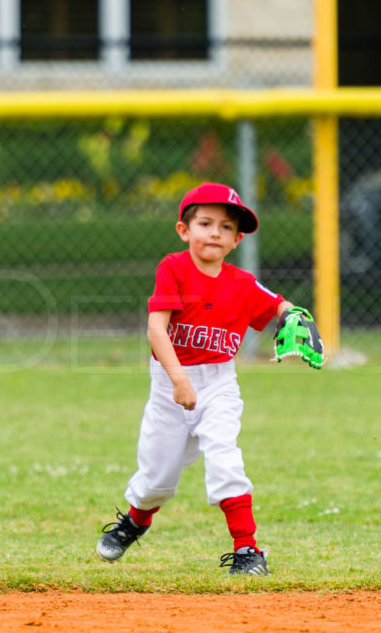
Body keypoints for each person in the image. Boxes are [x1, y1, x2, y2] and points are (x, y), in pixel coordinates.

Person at [95, 182, 318, 575]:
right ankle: (135, 521)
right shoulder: (174, 268)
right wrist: (179, 380)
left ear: (237, 239)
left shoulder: (242, 283)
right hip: (169, 386)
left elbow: (279, 304)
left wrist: (293, 315)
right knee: (156, 480)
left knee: (224, 458)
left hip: (218, 385)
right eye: (205, 222)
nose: (215, 232)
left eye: (227, 227)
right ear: (184, 230)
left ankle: (248, 550)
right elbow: (155, 330)